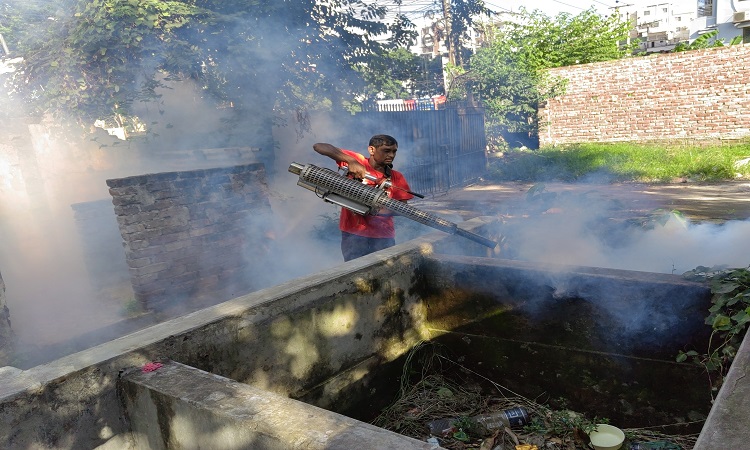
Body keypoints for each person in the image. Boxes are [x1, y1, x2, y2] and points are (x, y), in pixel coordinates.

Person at [313, 134, 414, 261]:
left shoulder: (396, 177)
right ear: (372, 150)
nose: (391, 155)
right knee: (355, 274)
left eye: (394, 151)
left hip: (383, 237)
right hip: (353, 235)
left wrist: (376, 211)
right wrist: (351, 161)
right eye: (386, 151)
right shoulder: (358, 161)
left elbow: (403, 208)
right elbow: (319, 147)